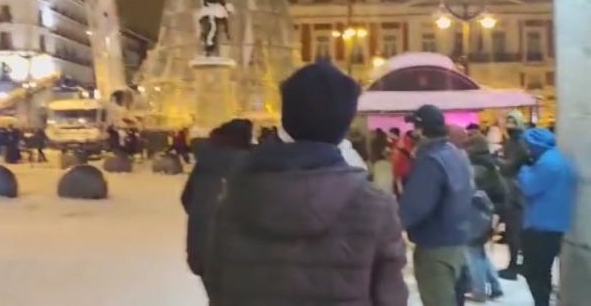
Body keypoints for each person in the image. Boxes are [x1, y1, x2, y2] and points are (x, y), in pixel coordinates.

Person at [204, 62, 407, 305]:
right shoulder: (374, 206)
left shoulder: (236, 196)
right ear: (343, 125)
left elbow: (217, 286)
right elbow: (390, 297)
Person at [399, 104, 473, 306]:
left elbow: (416, 205)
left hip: (435, 247)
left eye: (415, 127)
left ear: (421, 130)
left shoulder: (430, 160)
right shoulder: (457, 154)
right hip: (458, 242)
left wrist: (392, 224)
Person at [181, 118, 251, 294]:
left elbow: (186, 198)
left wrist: (205, 215)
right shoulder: (250, 164)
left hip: (201, 249)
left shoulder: (205, 161)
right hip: (238, 254)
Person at [516, 127, 575, 306]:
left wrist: (523, 168)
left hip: (540, 225)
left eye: (527, 145)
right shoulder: (559, 159)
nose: (525, 149)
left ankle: (541, 302)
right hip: (555, 223)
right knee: (543, 270)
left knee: (534, 272)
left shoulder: (546, 164)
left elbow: (528, 187)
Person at [464, 132, 506, 301]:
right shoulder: (490, 164)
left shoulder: (475, 169)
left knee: (472, 251)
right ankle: (495, 287)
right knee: (479, 251)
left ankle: (479, 290)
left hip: (476, 214)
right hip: (490, 213)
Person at [497, 110, 529, 279]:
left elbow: (510, 165)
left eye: (512, 123)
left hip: (516, 192)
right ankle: (516, 264)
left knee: (514, 231)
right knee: (513, 231)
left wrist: (496, 160)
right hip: (512, 190)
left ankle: (514, 266)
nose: (509, 126)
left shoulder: (520, 143)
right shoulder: (514, 142)